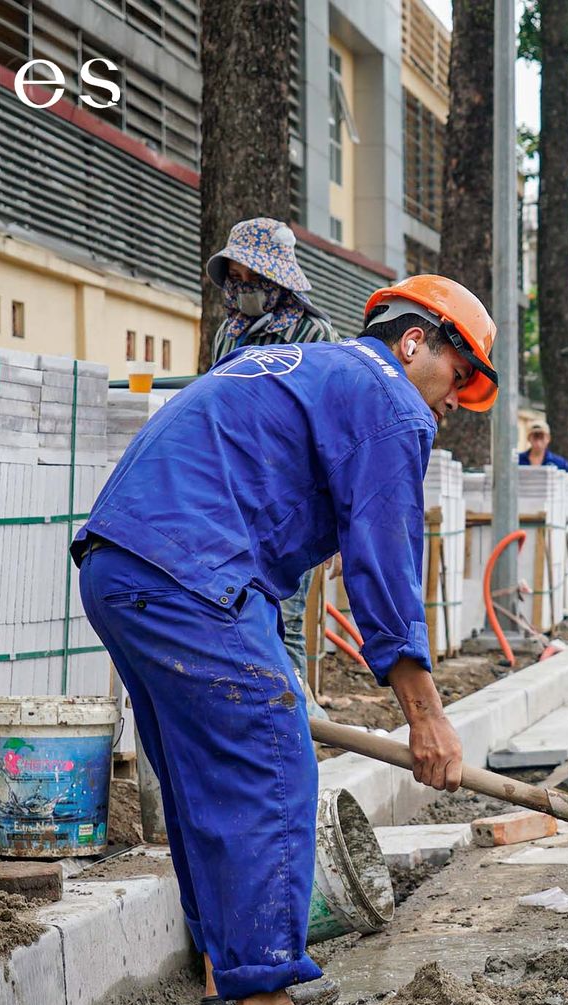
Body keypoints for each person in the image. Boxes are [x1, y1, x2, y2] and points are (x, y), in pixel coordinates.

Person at [73, 274, 495, 1005]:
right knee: (271, 754)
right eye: (458, 378)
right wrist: (426, 715)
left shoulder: (311, 372)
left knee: (204, 778)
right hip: (186, 568)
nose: (450, 407)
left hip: (123, 564)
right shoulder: (388, 399)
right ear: (415, 343)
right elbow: (384, 563)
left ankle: (222, 988)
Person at [204, 219, 343, 694]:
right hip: (231, 495)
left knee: (283, 612)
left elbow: (330, 428)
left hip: (288, 499)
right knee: (232, 610)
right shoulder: (229, 334)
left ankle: (291, 716)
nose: (243, 289)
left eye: (253, 279)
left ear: (277, 281)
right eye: (236, 279)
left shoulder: (314, 334)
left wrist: (337, 524)